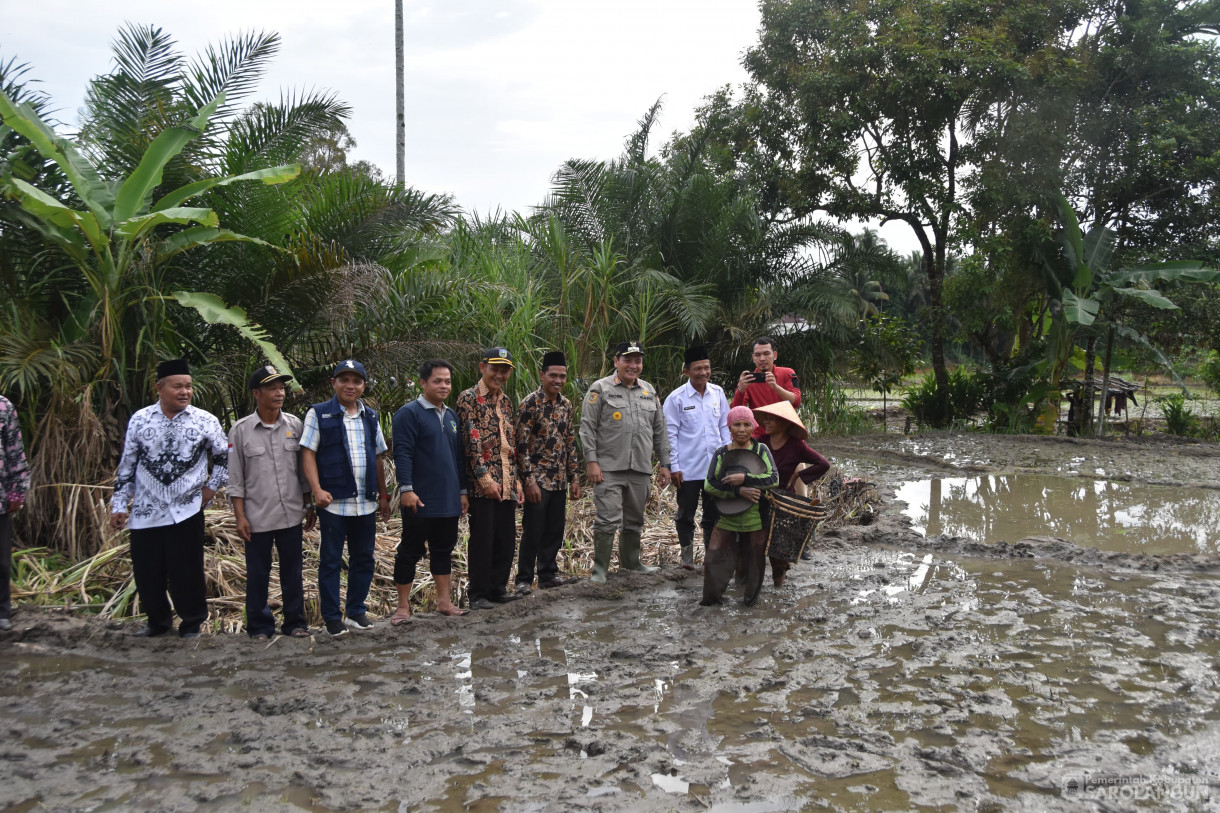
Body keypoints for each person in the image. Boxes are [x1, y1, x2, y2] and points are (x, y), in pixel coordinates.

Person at [110, 359, 228, 638]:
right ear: (159, 389)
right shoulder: (140, 419)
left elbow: (225, 456)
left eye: (188, 386)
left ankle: (191, 624)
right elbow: (127, 464)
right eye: (178, 386)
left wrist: (211, 488)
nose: (185, 392)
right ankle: (158, 623)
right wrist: (118, 504)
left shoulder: (205, 420)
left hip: (187, 509)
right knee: (147, 571)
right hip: (145, 510)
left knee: (186, 571)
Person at [301, 360, 392, 637]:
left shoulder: (370, 416)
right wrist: (316, 490)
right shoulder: (319, 413)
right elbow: (307, 453)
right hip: (334, 502)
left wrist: (384, 495)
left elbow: (377, 456)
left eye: (356, 381)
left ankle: (355, 611)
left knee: (363, 557)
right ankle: (331, 617)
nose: (350, 386)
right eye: (344, 380)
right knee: (330, 560)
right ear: (334, 383)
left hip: (365, 502)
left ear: (363, 386)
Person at [227, 365, 315, 640]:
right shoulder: (240, 431)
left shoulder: (294, 425)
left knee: (293, 571)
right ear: (257, 394)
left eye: (281, 388)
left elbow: (302, 472)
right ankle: (259, 626)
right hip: (257, 517)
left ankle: (295, 623)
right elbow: (236, 479)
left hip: (291, 514)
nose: (279, 393)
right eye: (272, 388)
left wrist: (309, 505)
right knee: (257, 573)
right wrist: (240, 517)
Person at [579, 341, 671, 583]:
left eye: (638, 361)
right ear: (616, 362)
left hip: (639, 469)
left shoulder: (649, 391)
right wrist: (592, 462)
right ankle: (600, 570)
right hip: (609, 468)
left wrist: (665, 463)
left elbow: (660, 430)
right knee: (607, 518)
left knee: (635, 518)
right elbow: (587, 428)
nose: (633, 365)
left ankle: (631, 563)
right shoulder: (600, 388)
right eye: (628, 360)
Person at [391, 359, 469, 622]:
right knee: (410, 551)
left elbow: (458, 457)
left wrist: (462, 491)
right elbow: (401, 453)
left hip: (448, 499)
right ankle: (402, 607)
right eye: (437, 381)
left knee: (443, 550)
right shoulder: (409, 413)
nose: (444, 385)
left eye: (447, 381)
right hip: (419, 499)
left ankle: (444, 602)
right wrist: (406, 489)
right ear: (423, 383)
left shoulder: (451, 416)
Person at [457, 348, 524, 610]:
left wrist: (516, 480)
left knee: (505, 538)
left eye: (505, 370)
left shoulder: (506, 401)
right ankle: (479, 594)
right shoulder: (468, 399)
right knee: (483, 539)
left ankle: (498, 588)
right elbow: (471, 442)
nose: (499, 374)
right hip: (481, 484)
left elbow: (511, 444)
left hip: (507, 480)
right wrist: (485, 480)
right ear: (482, 367)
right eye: (495, 368)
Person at [515, 351, 582, 591]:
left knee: (555, 529)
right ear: (542, 375)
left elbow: (570, 442)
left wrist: (575, 477)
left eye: (562, 376)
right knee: (533, 529)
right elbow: (520, 446)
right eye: (553, 375)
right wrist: (529, 481)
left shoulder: (566, 405)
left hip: (560, 479)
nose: (558, 380)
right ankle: (523, 579)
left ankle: (547, 574)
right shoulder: (529, 404)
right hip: (538, 480)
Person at [701, 406, 778, 607]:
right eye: (737, 424)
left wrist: (745, 478)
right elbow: (710, 484)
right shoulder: (721, 453)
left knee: (754, 561)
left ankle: (750, 602)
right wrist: (738, 492)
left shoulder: (762, 450)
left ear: (754, 427)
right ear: (729, 428)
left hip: (755, 518)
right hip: (726, 516)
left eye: (747, 424)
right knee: (714, 558)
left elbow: (773, 479)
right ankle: (711, 602)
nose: (742, 429)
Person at [663, 346, 730, 569]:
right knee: (685, 515)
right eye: (698, 368)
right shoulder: (676, 399)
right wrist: (674, 467)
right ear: (687, 371)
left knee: (713, 515)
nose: (703, 372)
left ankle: (711, 557)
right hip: (688, 470)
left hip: (715, 469)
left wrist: (727, 459)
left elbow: (724, 427)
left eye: (707, 368)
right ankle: (687, 558)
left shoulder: (718, 393)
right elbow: (670, 435)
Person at [756, 400, 831, 574]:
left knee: (781, 547)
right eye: (765, 418)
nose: (765, 422)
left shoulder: (796, 445)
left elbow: (823, 464)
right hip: (762, 496)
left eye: (770, 419)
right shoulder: (761, 441)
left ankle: (781, 572)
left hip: (784, 499)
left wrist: (799, 475)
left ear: (783, 423)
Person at [731, 336, 801, 439]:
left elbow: (796, 401)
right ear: (753, 358)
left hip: (788, 435)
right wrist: (741, 390)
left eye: (766, 354)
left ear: (775, 355)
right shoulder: (747, 380)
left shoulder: (787, 373)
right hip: (760, 437)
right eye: (758, 355)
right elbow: (735, 413)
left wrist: (776, 387)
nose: (762, 359)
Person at [0, 393, 30, 632]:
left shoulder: (3, 406)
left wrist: (17, 492)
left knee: (1, 562)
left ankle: (2, 612)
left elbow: (15, 451)